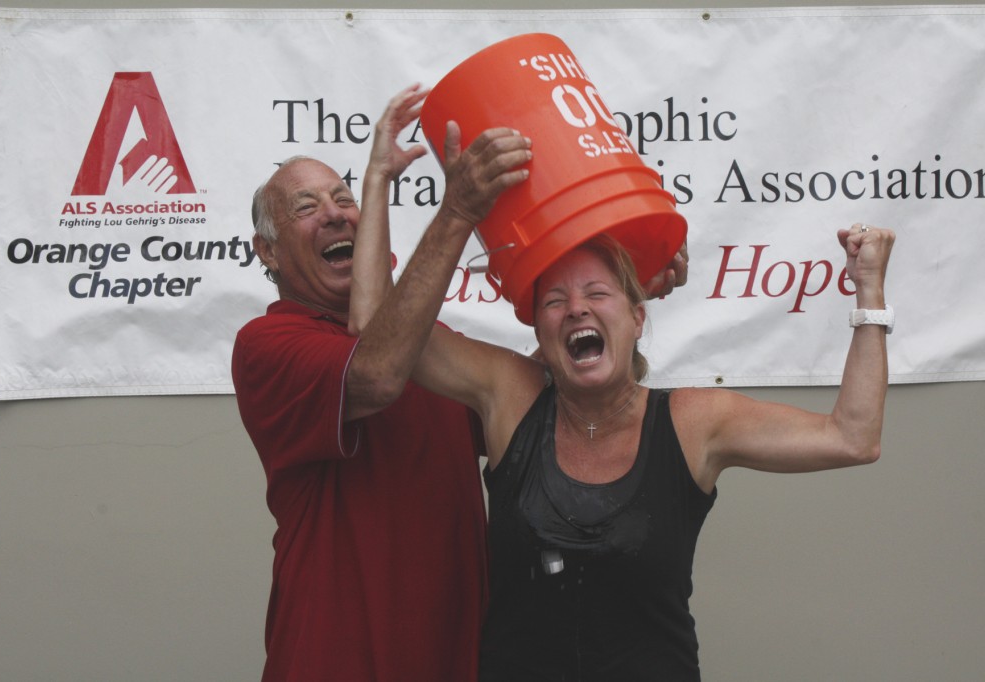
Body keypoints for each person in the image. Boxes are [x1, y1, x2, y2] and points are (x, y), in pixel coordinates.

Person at [350, 111, 895, 679]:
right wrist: (403, 192)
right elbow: (377, 330)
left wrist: (870, 291)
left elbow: (852, 438)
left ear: (638, 317)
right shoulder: (510, 395)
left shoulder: (693, 421)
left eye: (596, 292)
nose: (576, 308)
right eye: (554, 300)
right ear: (539, 331)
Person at [232, 85, 688, 681]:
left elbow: (527, 397)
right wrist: (456, 210)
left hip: (458, 659)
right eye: (306, 207)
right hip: (335, 658)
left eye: (344, 198)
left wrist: (624, 300)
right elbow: (375, 374)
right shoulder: (271, 344)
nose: (336, 213)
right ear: (266, 250)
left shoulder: (422, 341)